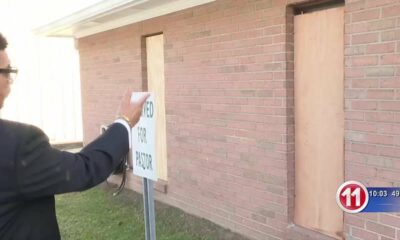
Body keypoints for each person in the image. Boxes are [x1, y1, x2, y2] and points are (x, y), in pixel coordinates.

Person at [0, 33, 149, 240]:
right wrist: (124, 122)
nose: (10, 81)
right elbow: (83, 169)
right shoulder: (17, 145)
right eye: (7, 71)